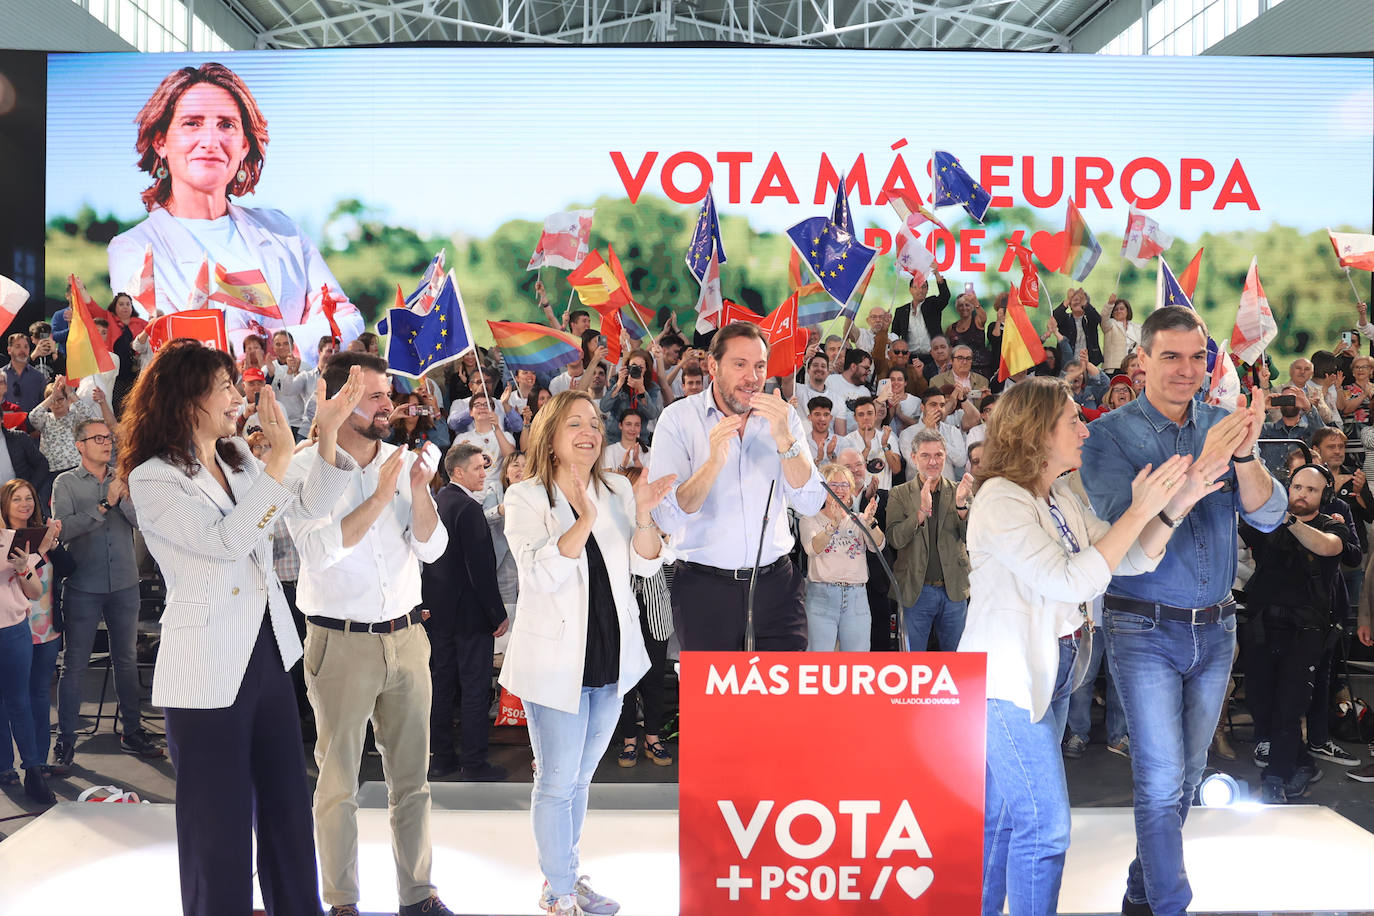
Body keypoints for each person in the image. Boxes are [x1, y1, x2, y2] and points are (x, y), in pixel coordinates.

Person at [123, 340, 364, 916]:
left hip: (267, 651)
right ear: (186, 399)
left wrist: (324, 437)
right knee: (218, 826)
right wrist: (279, 461)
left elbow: (305, 512)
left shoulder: (236, 459)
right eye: (225, 387)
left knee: (286, 808)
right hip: (206, 665)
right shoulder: (153, 478)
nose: (238, 398)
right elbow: (224, 545)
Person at [964, 376, 1217, 916]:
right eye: (1073, 420)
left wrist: (1176, 503)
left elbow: (1127, 558)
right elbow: (1072, 580)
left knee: (1009, 817)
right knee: (1045, 828)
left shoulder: (1056, 495)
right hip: (1008, 682)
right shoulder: (999, 501)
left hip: (1050, 673)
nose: (1086, 428)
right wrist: (1137, 509)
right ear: (1037, 432)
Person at [1079, 306, 1285, 916]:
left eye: (1198, 357)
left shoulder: (1223, 424)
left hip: (1217, 627)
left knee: (1188, 777)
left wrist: (1244, 457)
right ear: (1141, 359)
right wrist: (1200, 471)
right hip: (1140, 623)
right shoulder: (1109, 435)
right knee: (1161, 776)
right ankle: (1171, 903)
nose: (1186, 370)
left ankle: (1142, 892)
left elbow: (1269, 515)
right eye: (1170, 356)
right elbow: (1122, 535)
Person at [285, 352, 455, 916]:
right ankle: (342, 903)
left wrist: (421, 490)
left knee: (414, 780)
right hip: (340, 641)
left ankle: (418, 895)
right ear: (337, 398)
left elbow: (432, 548)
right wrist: (382, 496)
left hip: (408, 636)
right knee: (337, 785)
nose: (389, 405)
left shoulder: (405, 461)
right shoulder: (305, 467)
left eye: (388, 394)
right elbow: (320, 551)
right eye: (376, 395)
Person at [500, 390, 675, 915]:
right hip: (556, 665)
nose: (590, 431)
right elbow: (539, 575)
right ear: (551, 438)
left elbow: (646, 567)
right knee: (555, 781)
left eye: (594, 423)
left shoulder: (619, 487)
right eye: (575, 422)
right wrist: (582, 516)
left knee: (579, 780)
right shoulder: (525, 497)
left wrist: (642, 513)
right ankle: (557, 892)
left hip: (612, 660)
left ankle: (569, 878)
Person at [107, 63, 363, 364]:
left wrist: (270, 344)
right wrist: (300, 335)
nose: (211, 140)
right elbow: (169, 346)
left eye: (226, 124)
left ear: (244, 145)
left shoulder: (283, 230)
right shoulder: (132, 249)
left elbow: (347, 323)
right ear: (161, 141)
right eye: (192, 123)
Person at [649, 322, 826, 651]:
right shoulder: (677, 420)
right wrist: (713, 462)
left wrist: (787, 443)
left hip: (777, 587)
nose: (752, 376)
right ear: (713, 366)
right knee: (712, 702)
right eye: (740, 364)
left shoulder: (783, 418)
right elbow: (667, 518)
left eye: (760, 365)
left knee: (783, 698)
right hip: (705, 589)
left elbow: (811, 504)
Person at [50, 417, 165, 766]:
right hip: (84, 586)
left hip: (125, 585)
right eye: (96, 438)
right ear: (79, 446)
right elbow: (64, 530)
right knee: (75, 664)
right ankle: (65, 741)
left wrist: (121, 496)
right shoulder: (65, 483)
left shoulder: (123, 478)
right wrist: (103, 506)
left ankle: (132, 731)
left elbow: (141, 522)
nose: (106, 442)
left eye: (107, 437)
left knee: (127, 661)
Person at [1240, 464, 1353, 803]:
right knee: (1261, 703)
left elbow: (1329, 547)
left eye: (1311, 490)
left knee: (1290, 708)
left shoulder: (1331, 525)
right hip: (1262, 628)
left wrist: (1288, 519)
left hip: (1305, 632)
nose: (1302, 494)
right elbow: (1236, 537)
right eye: (1297, 487)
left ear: (1325, 496)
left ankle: (1275, 778)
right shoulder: (1266, 524)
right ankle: (1302, 762)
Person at [423, 443, 510, 782]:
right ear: (458, 472)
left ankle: (442, 758)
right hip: (471, 617)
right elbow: (481, 570)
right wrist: (496, 614)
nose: (484, 473)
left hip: (439, 616)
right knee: (474, 689)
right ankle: (474, 762)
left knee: (442, 687)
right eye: (477, 468)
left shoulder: (439, 501)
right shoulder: (469, 509)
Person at [0, 479, 66, 787]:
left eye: (29, 498)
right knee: (10, 700)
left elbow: (38, 584)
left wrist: (50, 548)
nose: (25, 504)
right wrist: (38, 551)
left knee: (31, 697)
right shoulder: (7, 542)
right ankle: (5, 765)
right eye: (17, 499)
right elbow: (16, 567)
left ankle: (36, 764)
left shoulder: (33, 536)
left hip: (35, 628)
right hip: (19, 625)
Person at [886, 430, 973, 651]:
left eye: (938, 455)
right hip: (915, 591)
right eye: (925, 455)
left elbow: (973, 540)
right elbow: (894, 539)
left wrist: (962, 507)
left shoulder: (960, 491)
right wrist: (920, 513)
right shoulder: (899, 493)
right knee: (912, 663)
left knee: (956, 662)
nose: (933, 461)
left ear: (945, 457)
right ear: (913, 458)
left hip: (954, 590)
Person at [799, 463, 882, 651]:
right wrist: (833, 524)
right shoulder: (809, 519)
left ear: (851, 490)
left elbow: (878, 546)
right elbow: (813, 549)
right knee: (819, 662)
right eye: (833, 485)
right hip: (821, 596)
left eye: (844, 485)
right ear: (823, 490)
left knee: (857, 663)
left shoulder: (859, 519)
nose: (840, 490)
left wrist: (870, 523)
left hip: (856, 598)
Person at [4, 333, 47, 413]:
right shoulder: (2, 376)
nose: (22, 350)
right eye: (18, 346)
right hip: (5, 424)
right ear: (9, 350)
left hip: (30, 424)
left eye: (26, 347)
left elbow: (44, 407)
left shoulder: (38, 377)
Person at [1101, 296, 1141, 372]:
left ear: (1127, 311)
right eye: (1115, 310)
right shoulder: (1110, 325)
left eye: (1122, 309)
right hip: (1114, 368)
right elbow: (1103, 318)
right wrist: (1109, 304)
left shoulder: (1137, 328)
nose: (1119, 311)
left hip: (1133, 368)